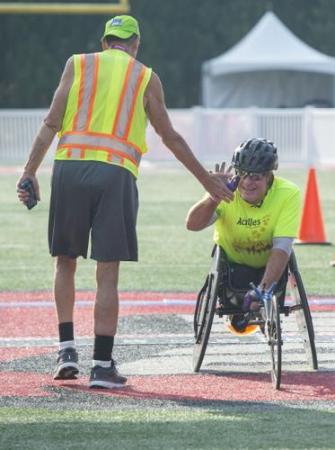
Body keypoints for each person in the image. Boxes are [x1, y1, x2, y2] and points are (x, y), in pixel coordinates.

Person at [16, 15, 233, 389]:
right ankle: (101, 366)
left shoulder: (77, 64)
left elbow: (52, 122)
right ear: (135, 44)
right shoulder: (145, 76)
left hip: (69, 168)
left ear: (105, 42)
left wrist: (29, 171)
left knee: (64, 261)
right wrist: (207, 181)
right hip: (115, 175)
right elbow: (170, 137)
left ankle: (66, 351)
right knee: (107, 272)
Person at [186, 138, 301, 333]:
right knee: (239, 327)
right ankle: (244, 309)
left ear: (269, 176)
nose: (247, 183)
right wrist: (215, 196)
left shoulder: (288, 194)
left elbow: (282, 247)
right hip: (231, 270)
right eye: (243, 175)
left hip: (270, 267)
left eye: (256, 177)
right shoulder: (226, 188)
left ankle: (259, 302)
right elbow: (192, 225)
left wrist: (263, 290)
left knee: (282, 253)